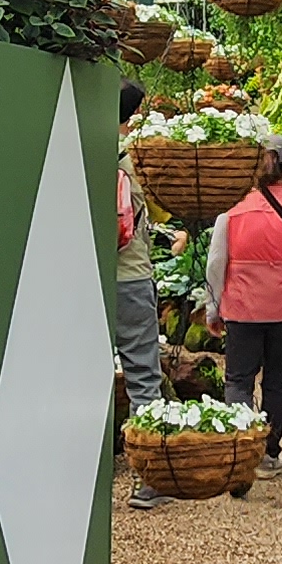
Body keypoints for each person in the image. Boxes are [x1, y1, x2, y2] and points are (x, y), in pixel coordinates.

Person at [203, 145, 282, 478]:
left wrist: (213, 308)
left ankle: (242, 449)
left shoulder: (232, 206)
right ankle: (269, 454)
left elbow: (216, 262)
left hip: (241, 307)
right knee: (277, 381)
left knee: (238, 381)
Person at [110, 83, 169, 512]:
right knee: (143, 376)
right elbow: (161, 212)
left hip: (82, 281)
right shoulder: (137, 163)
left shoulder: (74, 150)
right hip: (130, 277)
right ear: (130, 117)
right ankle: (150, 478)